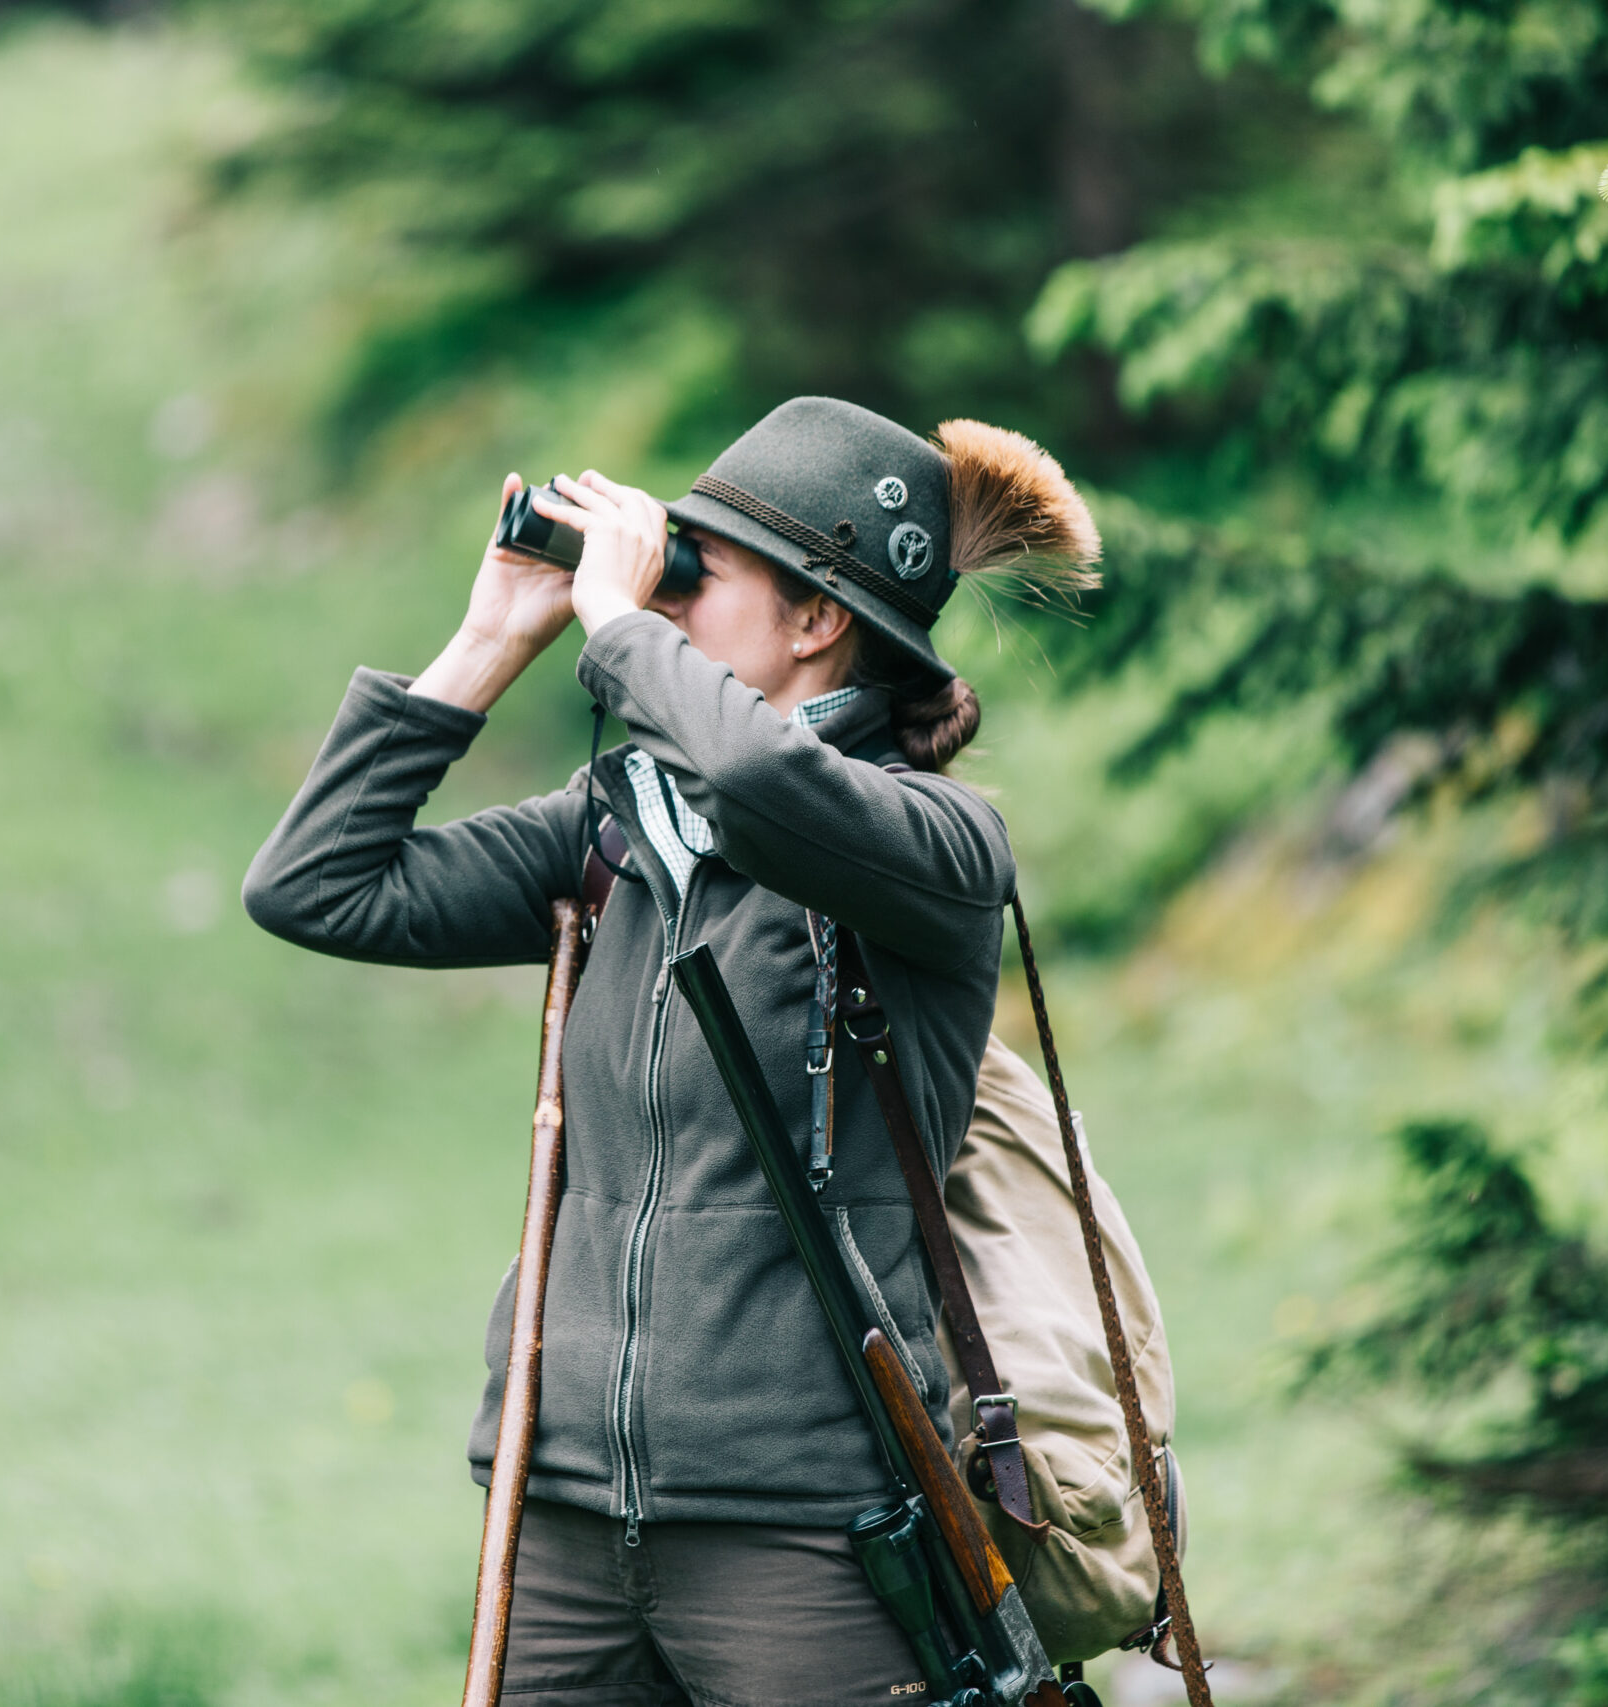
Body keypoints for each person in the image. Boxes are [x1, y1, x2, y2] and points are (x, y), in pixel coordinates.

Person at [243, 396, 1099, 1706]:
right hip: (566, 1508)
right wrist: (490, 640)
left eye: (698, 574)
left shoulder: (934, 846)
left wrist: (624, 627)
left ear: (818, 622)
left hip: (809, 1532)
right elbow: (317, 885)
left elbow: (766, 793)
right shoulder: (621, 824)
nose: (662, 593)